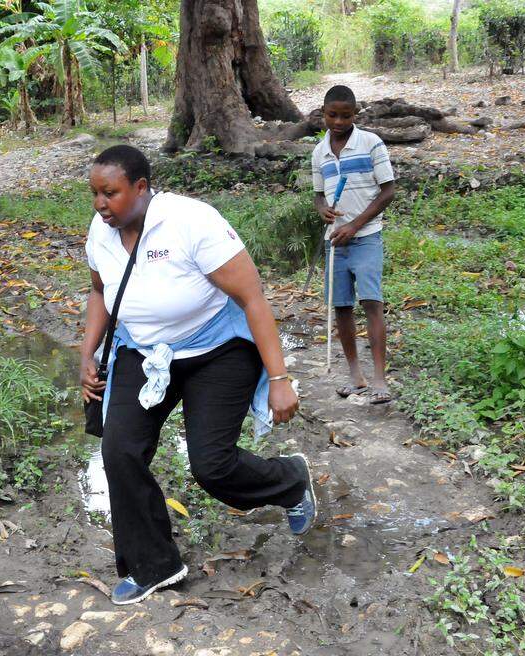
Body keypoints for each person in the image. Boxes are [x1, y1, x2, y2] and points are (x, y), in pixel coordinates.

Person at [80, 145, 316, 606]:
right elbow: (98, 293)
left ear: (142, 188)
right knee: (120, 450)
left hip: (217, 350)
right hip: (143, 350)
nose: (99, 205)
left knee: (212, 466)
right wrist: (86, 354)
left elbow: (253, 299)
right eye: (94, 194)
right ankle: (155, 566)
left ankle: (291, 481)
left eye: (110, 193)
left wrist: (280, 378)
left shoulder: (192, 222)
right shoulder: (101, 231)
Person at [311, 85, 396, 404]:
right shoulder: (319, 152)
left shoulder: (371, 143)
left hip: (366, 237)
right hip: (335, 241)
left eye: (345, 116)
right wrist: (323, 210)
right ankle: (356, 377)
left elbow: (388, 191)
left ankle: (379, 380)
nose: (338, 122)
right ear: (323, 113)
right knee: (342, 307)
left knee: (371, 303)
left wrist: (355, 224)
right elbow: (319, 195)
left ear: (355, 115)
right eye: (332, 115)